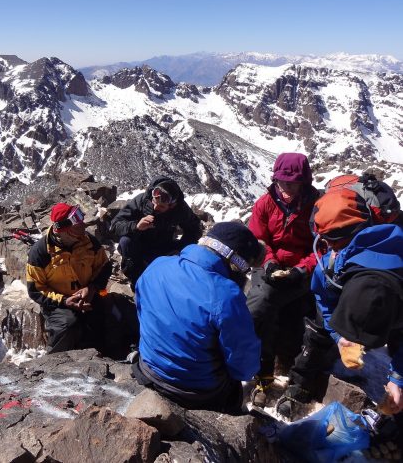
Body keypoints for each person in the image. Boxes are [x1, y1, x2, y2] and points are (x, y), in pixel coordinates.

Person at [276, 187, 403, 417]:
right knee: (315, 333)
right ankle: (300, 384)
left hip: (394, 308)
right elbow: (323, 300)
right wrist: (339, 335)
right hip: (351, 294)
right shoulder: (332, 266)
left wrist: (398, 379)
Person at [133, 222, 265, 413]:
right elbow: (244, 367)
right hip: (193, 391)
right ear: (235, 265)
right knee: (233, 386)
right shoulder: (226, 295)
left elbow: (141, 309)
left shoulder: (158, 265)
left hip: (149, 369)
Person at [246, 152, 319, 406]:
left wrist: (302, 269)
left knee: (272, 304)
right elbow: (259, 240)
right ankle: (261, 371)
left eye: (293, 183)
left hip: (303, 270)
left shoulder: (316, 206)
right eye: (282, 183)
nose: (287, 189)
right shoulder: (265, 203)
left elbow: (321, 246)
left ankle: (278, 373)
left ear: (304, 182)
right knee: (261, 303)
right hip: (270, 266)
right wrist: (268, 262)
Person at [26, 203, 112, 354]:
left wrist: (92, 288)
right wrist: (64, 301)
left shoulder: (89, 242)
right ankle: (55, 361)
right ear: (62, 230)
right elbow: (36, 289)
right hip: (57, 302)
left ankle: (100, 354)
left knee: (103, 315)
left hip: (87, 294)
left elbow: (104, 266)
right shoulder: (41, 252)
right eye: (77, 225)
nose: (83, 227)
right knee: (67, 324)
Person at [110, 176, 202, 286]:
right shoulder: (142, 201)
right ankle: (135, 279)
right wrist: (136, 226)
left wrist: (180, 248)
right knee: (126, 241)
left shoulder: (179, 210)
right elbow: (115, 224)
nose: (155, 207)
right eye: (154, 202)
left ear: (172, 205)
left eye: (162, 207)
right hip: (138, 246)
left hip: (162, 247)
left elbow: (195, 228)